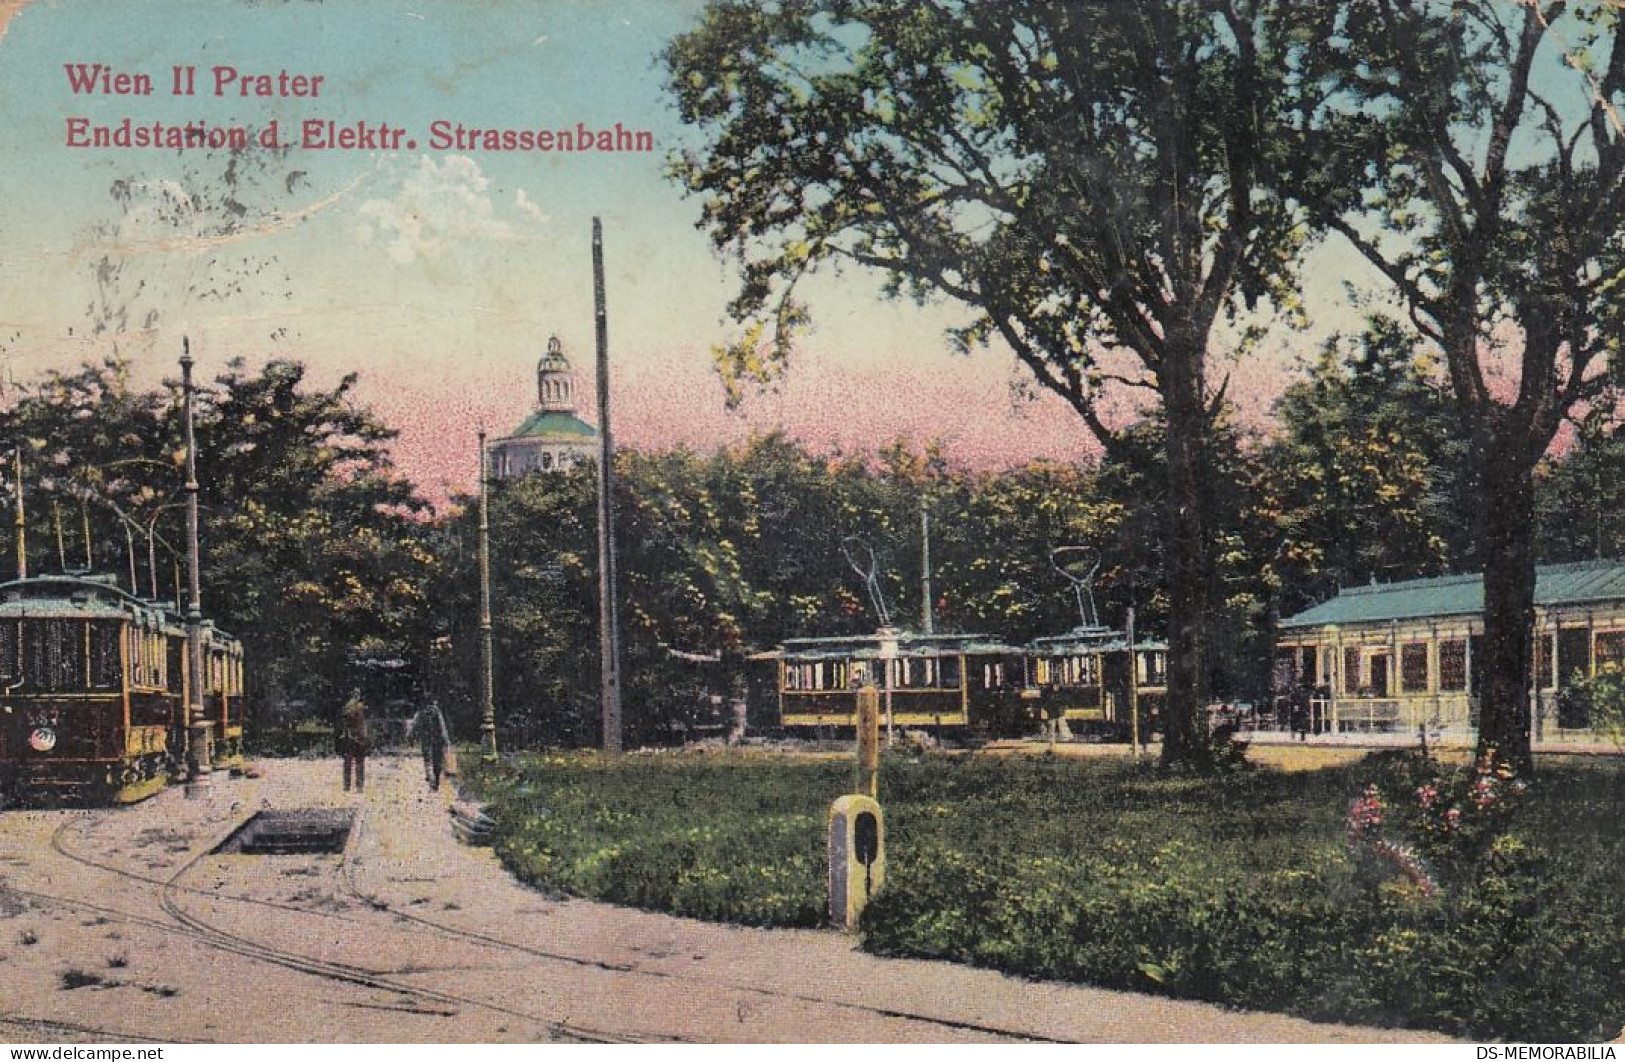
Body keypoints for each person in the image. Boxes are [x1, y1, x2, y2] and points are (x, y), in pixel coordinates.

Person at [411, 699, 448, 791]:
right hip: (437, 739)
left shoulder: (421, 713)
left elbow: (415, 726)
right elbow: (442, 727)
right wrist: (446, 740)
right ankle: (437, 779)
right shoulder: (437, 712)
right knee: (437, 760)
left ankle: (431, 779)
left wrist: (412, 737)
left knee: (427, 760)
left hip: (426, 739)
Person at [338, 687, 369, 792]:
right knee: (359, 762)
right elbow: (362, 723)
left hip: (349, 737)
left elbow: (344, 721)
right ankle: (359, 786)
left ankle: (347, 785)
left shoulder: (347, 706)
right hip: (358, 737)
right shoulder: (360, 706)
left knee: (348, 762)